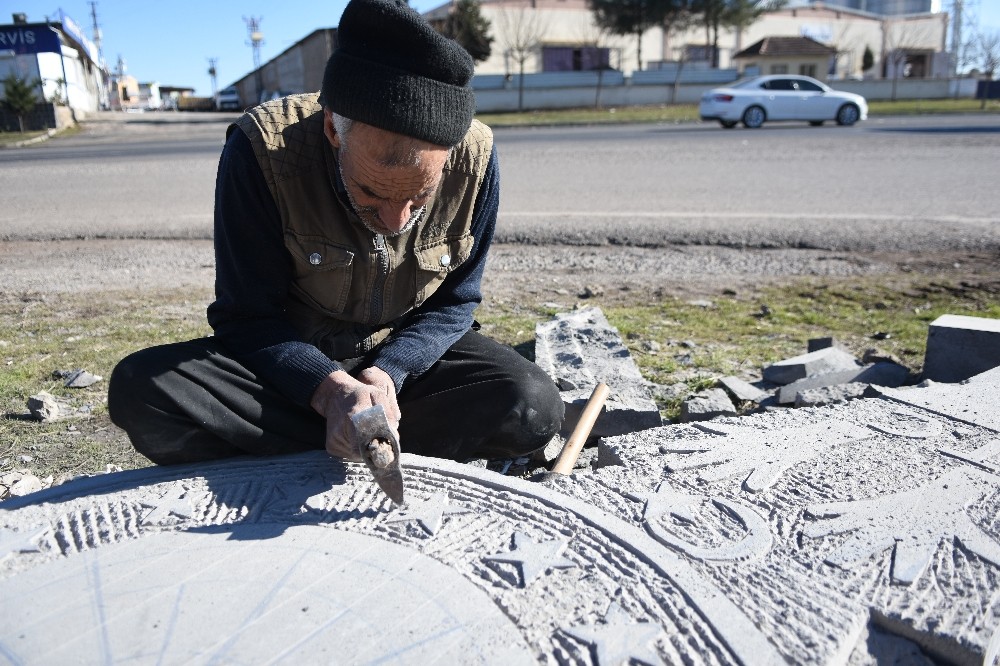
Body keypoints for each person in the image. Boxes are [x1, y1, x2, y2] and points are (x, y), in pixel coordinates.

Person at [108, 0, 563, 466]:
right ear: (333, 128)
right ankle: (349, 434)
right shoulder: (262, 152)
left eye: (419, 197)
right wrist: (326, 390)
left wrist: (388, 373)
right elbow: (247, 317)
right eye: (372, 193)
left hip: (407, 372)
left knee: (531, 405)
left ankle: (312, 444)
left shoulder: (475, 159)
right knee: (142, 390)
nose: (395, 221)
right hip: (291, 368)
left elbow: (455, 304)